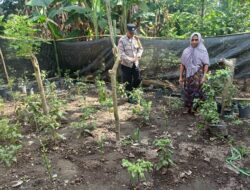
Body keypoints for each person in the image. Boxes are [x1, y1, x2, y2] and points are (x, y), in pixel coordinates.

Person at [179, 32, 209, 114]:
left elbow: (206, 64)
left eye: (196, 40)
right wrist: (181, 77)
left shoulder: (203, 50)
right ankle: (188, 108)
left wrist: (204, 77)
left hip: (198, 74)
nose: (194, 41)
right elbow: (182, 64)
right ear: (190, 40)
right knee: (187, 91)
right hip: (188, 74)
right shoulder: (186, 51)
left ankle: (196, 109)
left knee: (198, 91)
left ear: (199, 40)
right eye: (192, 40)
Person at [118, 23, 143, 103]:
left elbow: (141, 49)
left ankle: (133, 92)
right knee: (127, 82)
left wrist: (138, 55)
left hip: (135, 64)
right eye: (131, 33)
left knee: (138, 79)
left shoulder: (136, 39)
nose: (132, 34)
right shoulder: (122, 40)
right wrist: (130, 59)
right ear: (127, 31)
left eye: (133, 33)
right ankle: (130, 98)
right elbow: (121, 53)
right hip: (126, 65)